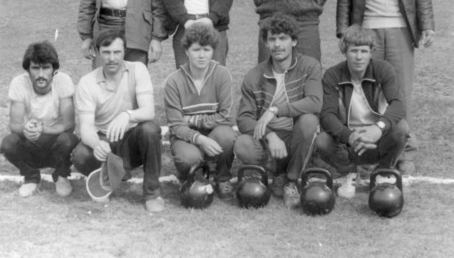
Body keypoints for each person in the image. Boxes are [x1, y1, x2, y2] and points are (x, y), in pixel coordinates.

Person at [336, 0, 435, 175]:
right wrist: (344, 32)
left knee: (399, 91)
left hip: (400, 30)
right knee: (369, 91)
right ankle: (371, 149)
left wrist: (427, 24)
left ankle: (406, 149)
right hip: (367, 32)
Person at [234, 14, 322, 208]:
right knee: (242, 143)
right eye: (272, 39)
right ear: (266, 43)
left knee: (309, 121)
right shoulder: (254, 75)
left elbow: (315, 102)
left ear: (294, 41)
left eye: (283, 38)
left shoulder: (309, 66)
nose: (277, 44)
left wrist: (275, 110)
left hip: (295, 137)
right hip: (269, 140)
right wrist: (270, 135)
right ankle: (275, 172)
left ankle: (291, 180)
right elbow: (243, 118)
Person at [72, 30, 164, 212]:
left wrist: (127, 115)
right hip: (105, 140)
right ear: (98, 52)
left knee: (150, 130)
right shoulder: (87, 82)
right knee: (80, 155)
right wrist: (97, 144)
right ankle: (107, 176)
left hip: (132, 139)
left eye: (117, 52)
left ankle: (152, 194)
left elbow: (149, 111)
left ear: (125, 51)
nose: (112, 58)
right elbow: (86, 128)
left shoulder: (138, 69)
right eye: (106, 52)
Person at [315, 25, 409, 198]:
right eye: (354, 51)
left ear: (371, 52)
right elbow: (327, 115)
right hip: (348, 144)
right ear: (345, 51)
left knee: (401, 128)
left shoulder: (383, 69)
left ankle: (383, 171)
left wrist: (377, 129)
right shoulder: (332, 75)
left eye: (364, 51)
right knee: (322, 140)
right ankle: (348, 172)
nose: (359, 57)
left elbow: (398, 104)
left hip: (377, 140)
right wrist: (349, 136)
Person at [164, 24, 238, 199]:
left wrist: (193, 120)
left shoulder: (222, 75)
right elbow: (176, 125)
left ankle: (222, 177)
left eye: (207, 49)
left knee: (227, 136)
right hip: (186, 137)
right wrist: (200, 139)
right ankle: (194, 176)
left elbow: (228, 116)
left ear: (213, 50)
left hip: (215, 133)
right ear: (186, 51)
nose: (202, 55)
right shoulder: (174, 81)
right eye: (196, 50)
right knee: (189, 157)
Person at [0, 41, 79, 197]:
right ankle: (31, 177)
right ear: (28, 70)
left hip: (56, 144)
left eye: (46, 67)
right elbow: (14, 125)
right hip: (32, 142)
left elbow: (70, 125)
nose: (41, 74)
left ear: (54, 69)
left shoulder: (63, 81)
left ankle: (61, 175)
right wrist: (25, 129)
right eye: (35, 68)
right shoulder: (19, 83)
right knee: (8, 143)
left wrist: (44, 129)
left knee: (69, 140)